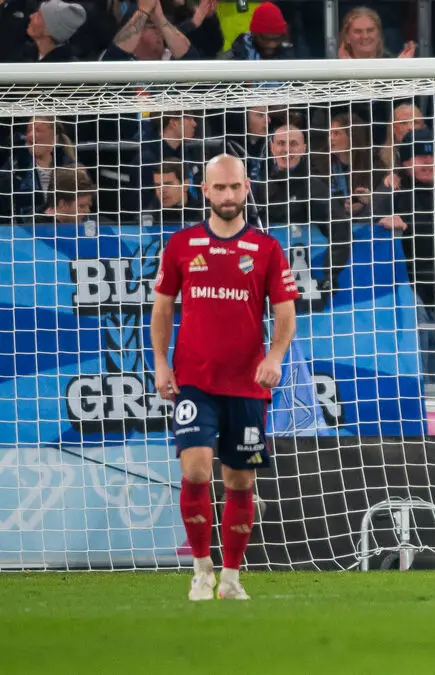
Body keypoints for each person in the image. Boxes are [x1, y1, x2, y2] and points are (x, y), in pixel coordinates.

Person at [151, 154, 300, 601]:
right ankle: (201, 571)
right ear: (206, 192)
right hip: (194, 380)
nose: (229, 196)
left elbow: (286, 313)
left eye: (235, 187)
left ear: (247, 188)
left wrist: (275, 356)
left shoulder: (267, 249)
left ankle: (231, 578)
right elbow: (161, 309)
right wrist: (161, 363)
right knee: (195, 468)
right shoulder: (181, 245)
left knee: (239, 482)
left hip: (247, 384)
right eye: (220, 188)